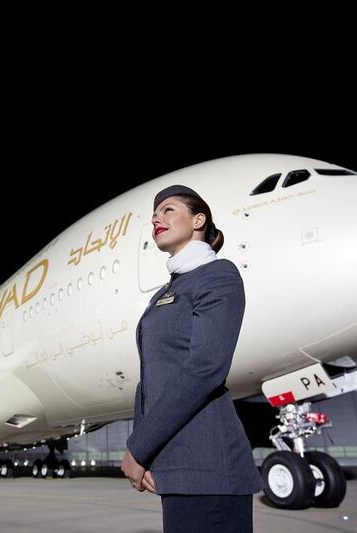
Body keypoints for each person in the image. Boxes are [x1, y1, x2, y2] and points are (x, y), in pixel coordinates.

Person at [121, 185, 264, 532]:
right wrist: (145, 450)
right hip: (180, 469)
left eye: (168, 209)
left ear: (198, 219)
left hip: (211, 469)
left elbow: (205, 369)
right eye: (154, 213)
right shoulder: (167, 291)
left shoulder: (218, 275)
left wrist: (137, 449)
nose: (156, 217)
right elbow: (151, 379)